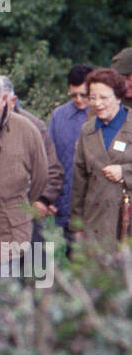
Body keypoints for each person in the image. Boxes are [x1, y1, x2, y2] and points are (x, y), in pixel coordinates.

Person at [0, 74, 48, 275]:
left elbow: (40, 178)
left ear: (4, 100)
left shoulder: (27, 130)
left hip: (12, 232)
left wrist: (15, 206)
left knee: (4, 296)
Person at [69, 68, 132, 251]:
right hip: (95, 223)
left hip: (125, 222)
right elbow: (79, 183)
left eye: (103, 97)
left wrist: (124, 172)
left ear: (118, 97)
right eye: (93, 97)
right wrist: (77, 227)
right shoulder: (87, 130)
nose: (97, 103)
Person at [0, 76, 63, 224]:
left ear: (12, 100)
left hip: (26, 207)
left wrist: (43, 200)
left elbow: (53, 168)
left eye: (3, 102)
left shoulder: (33, 127)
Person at [48, 64, 94, 238]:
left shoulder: (103, 116)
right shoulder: (59, 116)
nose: (79, 100)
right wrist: (49, 196)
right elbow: (50, 159)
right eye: (74, 95)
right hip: (67, 203)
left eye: (84, 95)